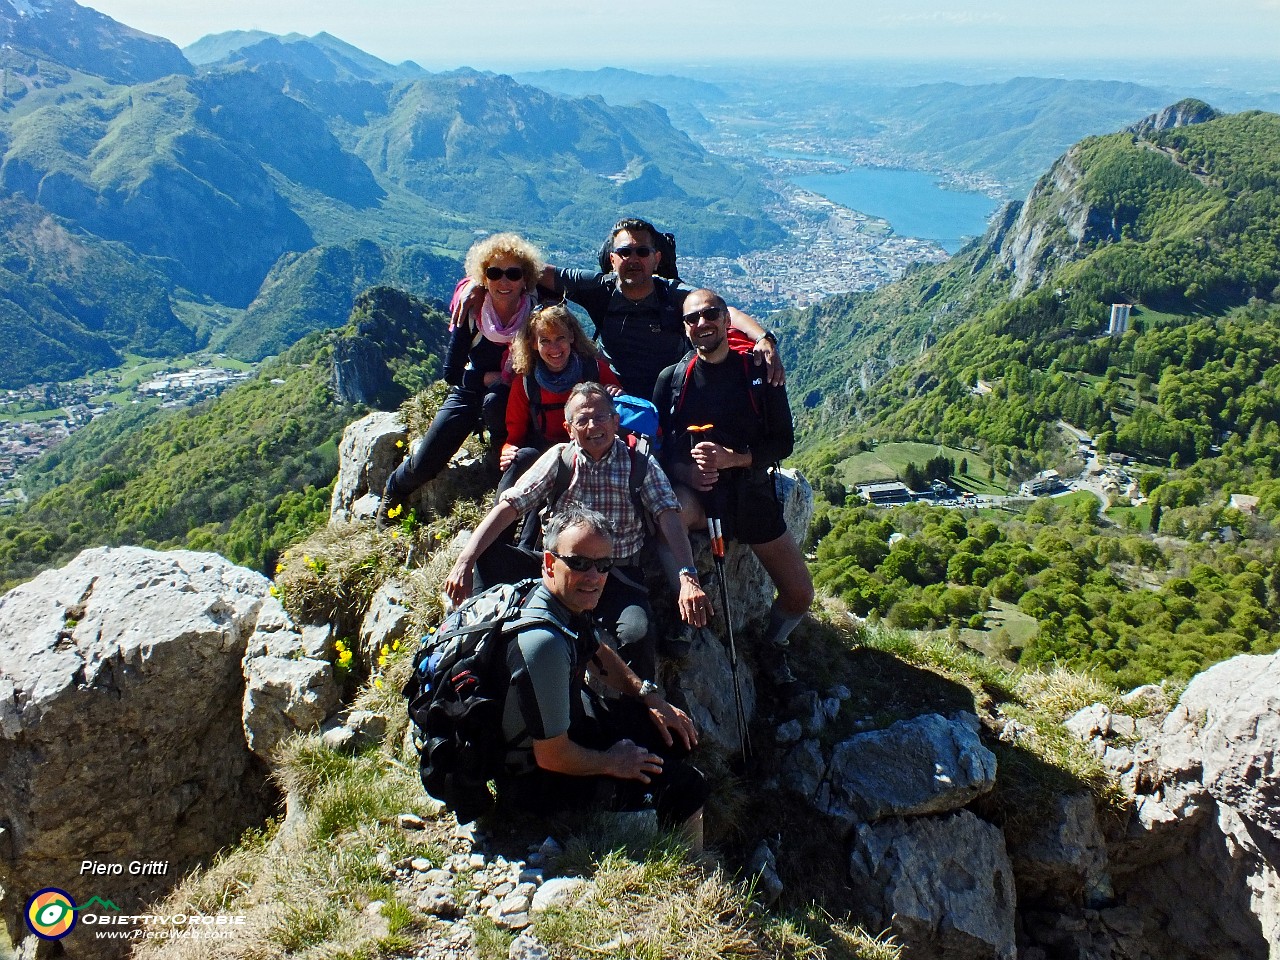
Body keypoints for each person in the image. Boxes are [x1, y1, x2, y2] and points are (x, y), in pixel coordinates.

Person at [445, 382, 711, 681]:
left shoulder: (639, 464)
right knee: (487, 557)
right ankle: (476, 639)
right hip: (557, 573)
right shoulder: (560, 459)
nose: (592, 426)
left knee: (637, 635)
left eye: (600, 417)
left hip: (615, 576)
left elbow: (668, 513)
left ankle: (638, 715)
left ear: (615, 421)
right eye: (581, 420)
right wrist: (465, 559)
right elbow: (512, 504)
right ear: (569, 428)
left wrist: (688, 575)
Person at [496, 505, 707, 852]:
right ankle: (692, 870)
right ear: (550, 562)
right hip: (533, 776)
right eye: (579, 563)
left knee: (674, 738)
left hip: (563, 727)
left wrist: (648, 696)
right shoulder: (543, 642)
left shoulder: (558, 601)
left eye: (603, 565)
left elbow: (595, 651)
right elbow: (552, 755)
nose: (593, 576)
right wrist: (613, 762)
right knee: (687, 787)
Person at [653, 289, 815, 693]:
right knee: (666, 516)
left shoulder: (758, 374)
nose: (702, 323)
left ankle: (772, 643)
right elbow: (660, 452)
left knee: (799, 594)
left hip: (750, 492)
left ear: (728, 321)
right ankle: (684, 606)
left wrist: (734, 459)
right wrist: (687, 474)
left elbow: (782, 443)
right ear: (685, 328)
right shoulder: (673, 382)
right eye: (693, 318)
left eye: (710, 314)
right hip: (700, 494)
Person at [378, 232, 543, 527]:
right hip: (470, 390)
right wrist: (491, 377)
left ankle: (500, 470)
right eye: (494, 273)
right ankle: (395, 489)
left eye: (513, 273)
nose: (503, 282)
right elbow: (452, 373)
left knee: (498, 406)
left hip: (513, 396)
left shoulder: (535, 313)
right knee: (429, 456)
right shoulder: (473, 312)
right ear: (484, 277)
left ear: (525, 278)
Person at [537, 218, 785, 401]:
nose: (633, 259)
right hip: (615, 395)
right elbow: (539, 272)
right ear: (612, 260)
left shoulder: (671, 294)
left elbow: (721, 310)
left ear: (656, 259)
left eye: (642, 252)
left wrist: (763, 339)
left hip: (672, 395)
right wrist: (503, 270)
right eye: (624, 252)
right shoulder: (600, 289)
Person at [497, 303, 622, 548]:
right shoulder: (526, 383)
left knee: (555, 476)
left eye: (560, 338)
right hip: (543, 452)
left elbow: (619, 414)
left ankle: (527, 550)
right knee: (522, 459)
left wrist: (616, 395)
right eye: (545, 341)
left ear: (572, 338)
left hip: (586, 454)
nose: (554, 348)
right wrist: (507, 449)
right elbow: (515, 433)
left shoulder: (595, 371)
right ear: (533, 344)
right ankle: (495, 545)